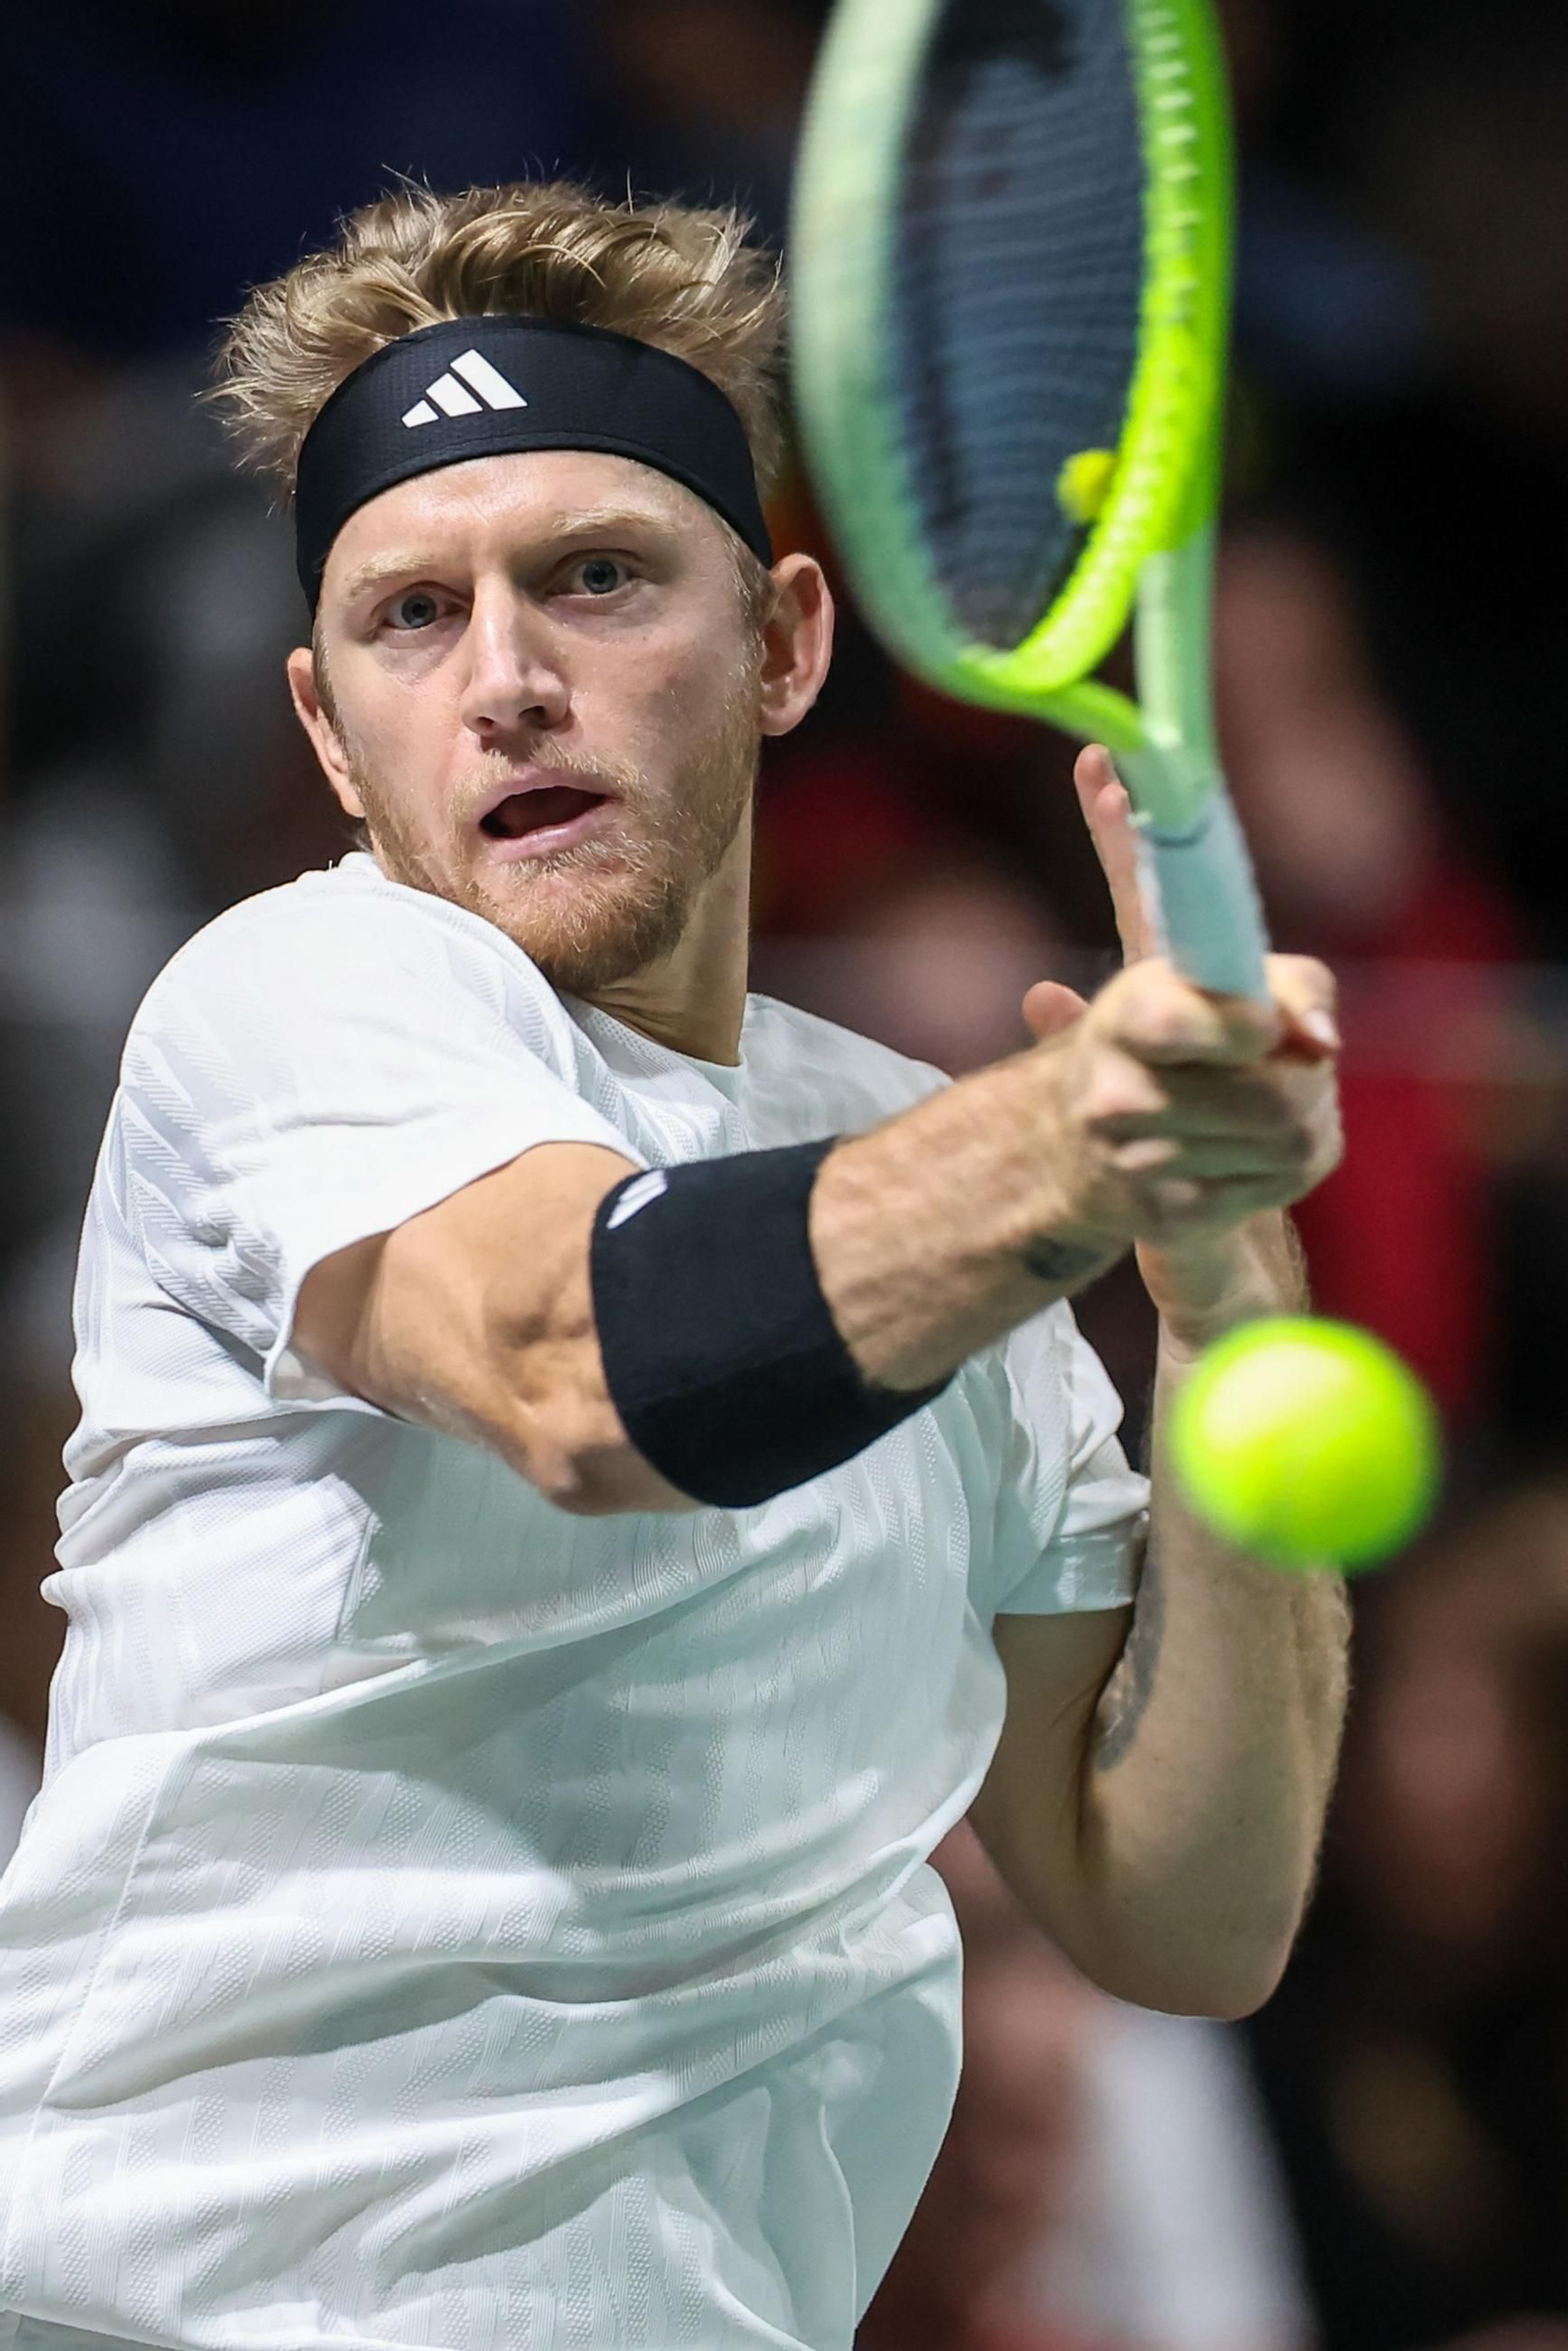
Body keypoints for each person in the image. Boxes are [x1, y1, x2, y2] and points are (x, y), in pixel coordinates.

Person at [0, 180, 1348, 2351]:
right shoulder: (291, 1001)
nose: (506, 681)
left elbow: (1184, 1912)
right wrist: (1077, 1133)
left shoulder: (917, 1178)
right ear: (328, 733)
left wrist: (1224, 1288)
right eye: (412, 616)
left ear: (785, 643)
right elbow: (577, 1363)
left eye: (596, 578)